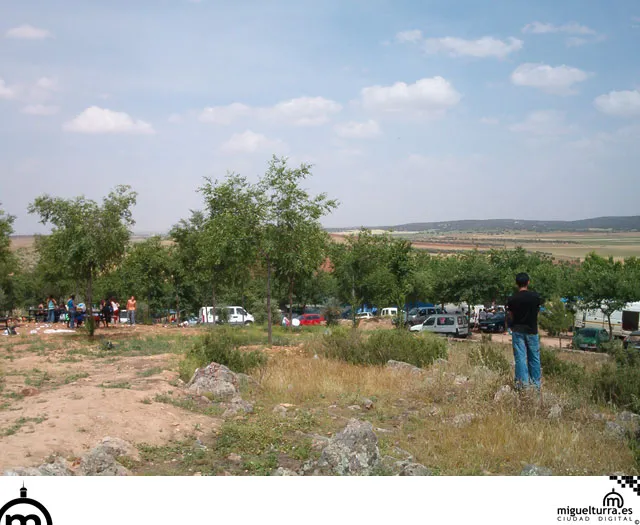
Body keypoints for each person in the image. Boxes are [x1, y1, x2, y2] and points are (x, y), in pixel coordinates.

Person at [506, 272, 543, 391]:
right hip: (532, 330)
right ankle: (536, 385)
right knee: (534, 357)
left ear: (516, 284)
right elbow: (537, 313)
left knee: (520, 358)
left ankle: (523, 384)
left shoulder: (512, 299)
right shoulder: (535, 297)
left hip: (518, 331)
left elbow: (511, 315)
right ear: (528, 282)